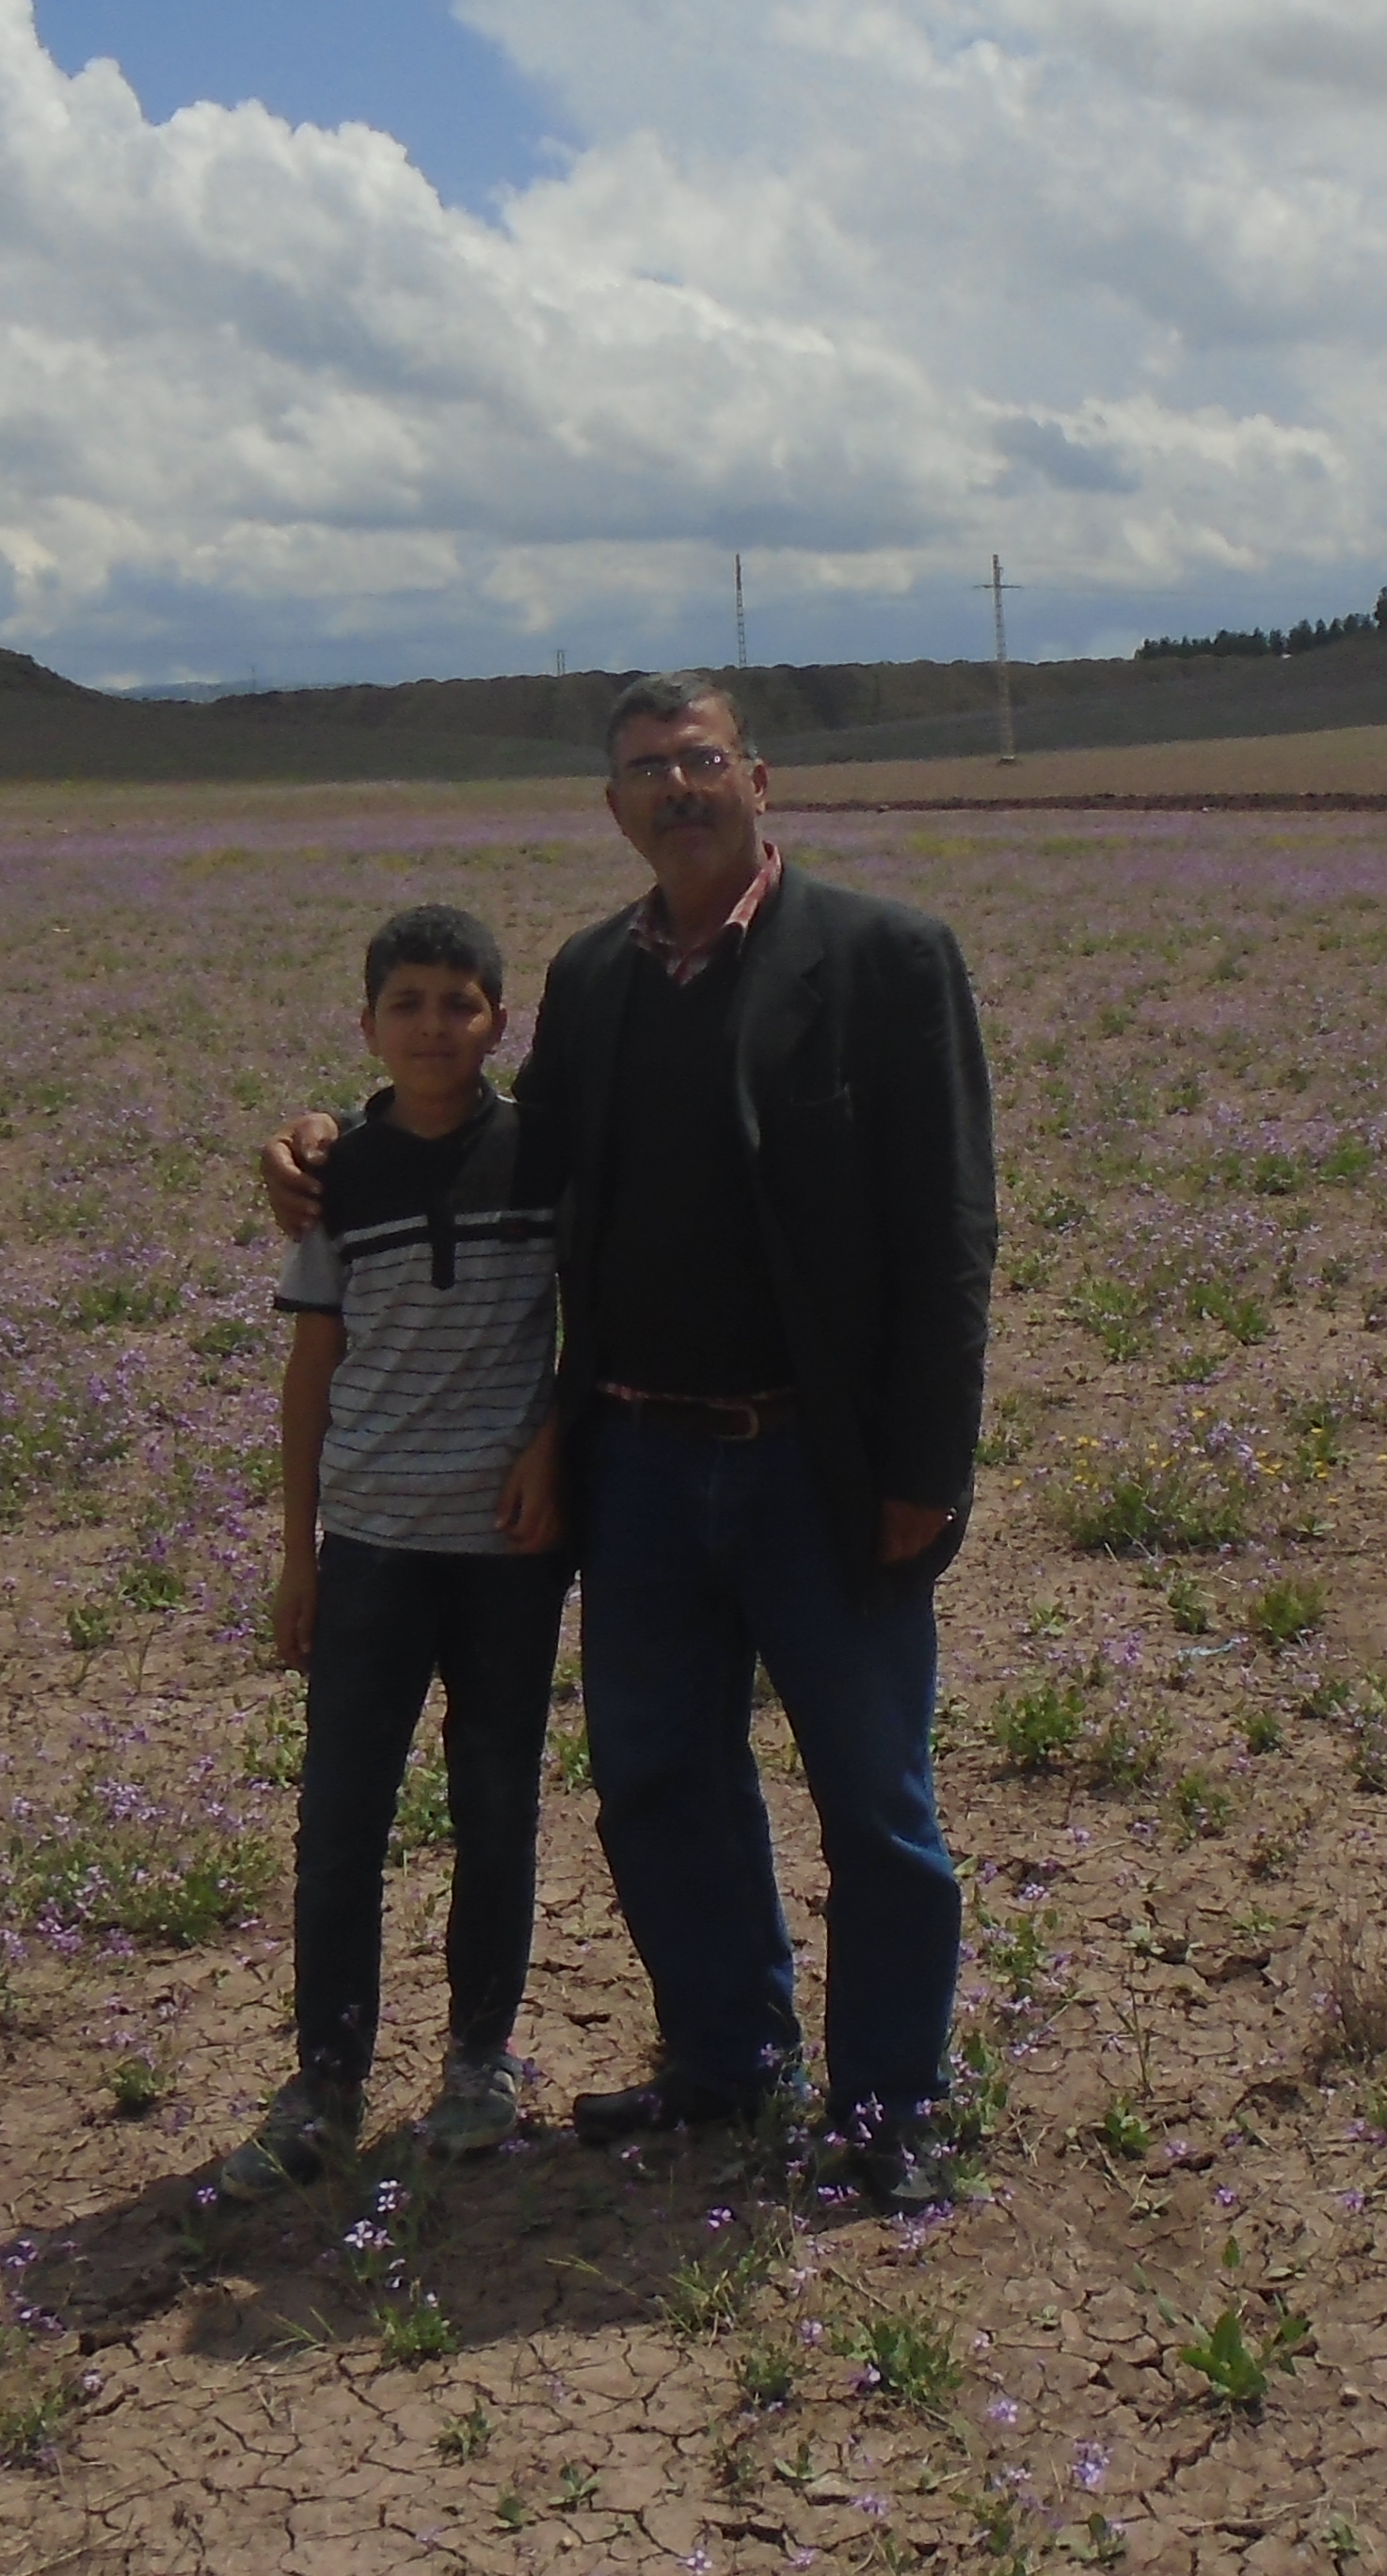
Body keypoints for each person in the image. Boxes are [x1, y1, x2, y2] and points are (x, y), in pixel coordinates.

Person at [263, 671, 997, 2205]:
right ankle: (729, 2067)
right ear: (613, 807)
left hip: (823, 1463)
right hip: (644, 1463)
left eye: (702, 759)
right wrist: (335, 1136)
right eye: (647, 770)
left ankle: (888, 2113)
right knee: (662, 1777)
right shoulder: (594, 976)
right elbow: (502, 1141)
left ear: (760, 780)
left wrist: (926, 1471)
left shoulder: (887, 959)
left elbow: (949, 1237)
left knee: (875, 1798)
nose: (678, 788)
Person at [223, 903, 570, 2200]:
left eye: (459, 1003)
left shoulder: (542, 1157)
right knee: (340, 1818)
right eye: (408, 1003)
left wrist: (554, 1444)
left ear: (499, 1020)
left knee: (495, 1803)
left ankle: (482, 2061)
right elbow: (310, 1374)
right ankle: (326, 2077)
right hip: (368, 1542)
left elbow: (589, 1321)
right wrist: (298, 1550)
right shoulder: (337, 1178)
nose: (434, 1026)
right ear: (366, 1023)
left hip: (506, 1549)